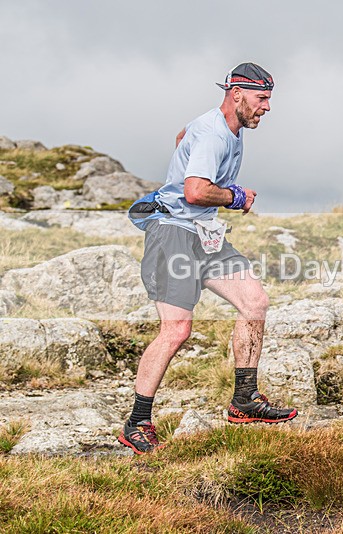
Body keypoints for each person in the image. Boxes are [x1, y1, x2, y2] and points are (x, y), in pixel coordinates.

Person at [119, 62, 297, 455]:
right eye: (262, 99)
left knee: (255, 302)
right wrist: (236, 196)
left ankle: (244, 400)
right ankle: (136, 422)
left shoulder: (220, 127)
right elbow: (197, 190)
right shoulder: (215, 135)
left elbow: (183, 135)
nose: (267, 107)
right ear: (237, 94)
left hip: (205, 236)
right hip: (173, 234)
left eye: (268, 99)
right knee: (177, 330)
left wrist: (188, 150)